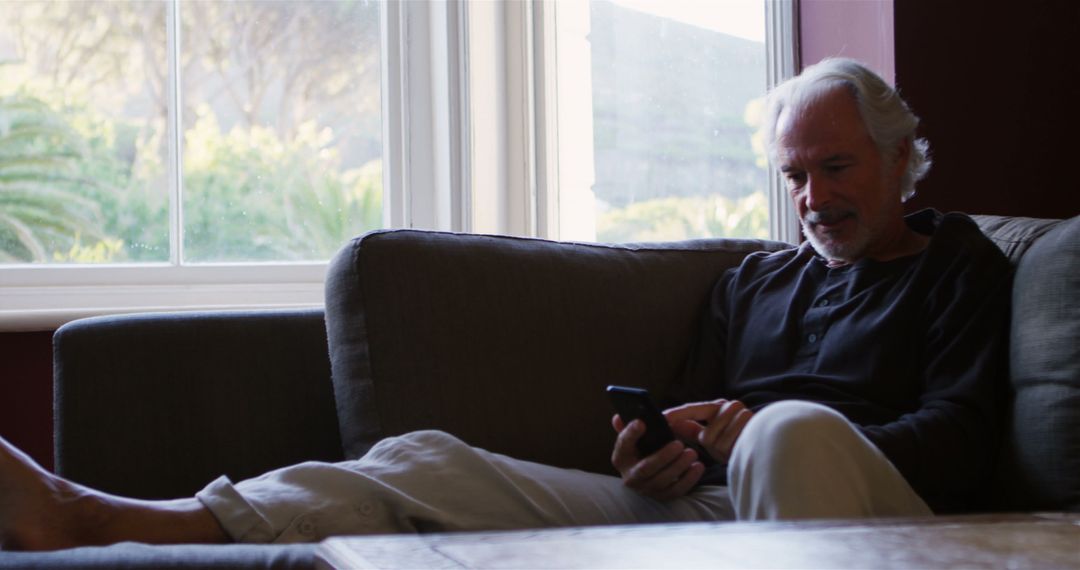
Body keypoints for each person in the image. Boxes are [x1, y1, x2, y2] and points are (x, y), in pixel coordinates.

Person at [0, 58, 1010, 551]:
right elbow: (695, 414)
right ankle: (102, 517)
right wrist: (659, 449)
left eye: (837, 168)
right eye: (795, 176)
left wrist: (767, 434)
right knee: (419, 461)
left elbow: (961, 440)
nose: (813, 199)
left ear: (901, 160)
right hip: (710, 507)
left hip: (855, 502)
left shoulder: (957, 264)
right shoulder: (757, 279)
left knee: (791, 429)